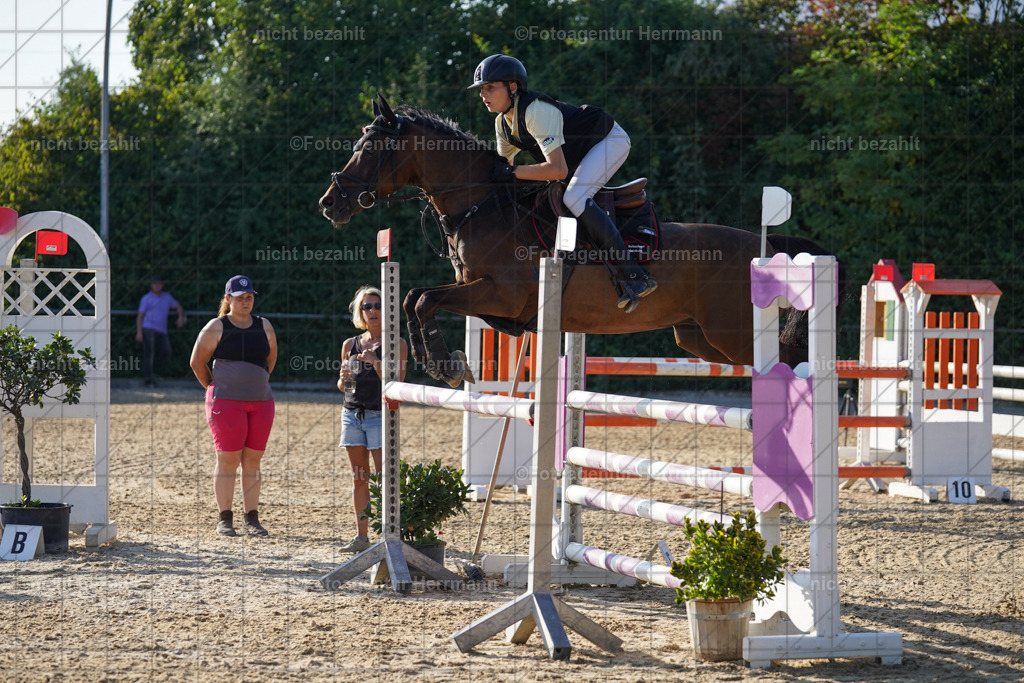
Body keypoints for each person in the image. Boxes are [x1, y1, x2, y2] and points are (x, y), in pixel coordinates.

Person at [469, 54, 657, 313]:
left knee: (574, 198)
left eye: (490, 87)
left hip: (608, 141)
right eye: (481, 89)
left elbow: (557, 169)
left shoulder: (535, 111)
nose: (483, 94)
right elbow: (506, 168)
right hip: (578, 155)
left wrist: (511, 173)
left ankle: (635, 275)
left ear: (512, 87)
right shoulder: (502, 123)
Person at [189, 275, 277, 537]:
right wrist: (216, 388)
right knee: (227, 459)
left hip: (261, 401)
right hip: (225, 402)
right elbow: (197, 363)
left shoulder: (264, 326)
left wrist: (254, 383)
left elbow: (270, 360)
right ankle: (224, 518)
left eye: (249, 297)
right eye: (240, 298)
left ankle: (252, 518)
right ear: (228, 299)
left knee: (253, 460)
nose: (245, 302)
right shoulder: (216, 326)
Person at [337, 285, 408, 553]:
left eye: (378, 306)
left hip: (380, 416)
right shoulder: (349, 344)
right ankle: (362, 536)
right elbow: (343, 386)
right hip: (352, 415)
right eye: (367, 306)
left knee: (385, 478)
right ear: (360, 312)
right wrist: (343, 380)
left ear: (387, 310)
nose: (373, 311)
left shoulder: (397, 344)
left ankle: (391, 536)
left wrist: (375, 363)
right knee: (359, 478)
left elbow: (398, 385)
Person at [136, 275, 186, 386]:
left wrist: (181, 317)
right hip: (148, 329)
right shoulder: (146, 298)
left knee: (166, 351)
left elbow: (178, 307)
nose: (157, 285)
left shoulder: (167, 297)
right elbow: (140, 316)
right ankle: (148, 380)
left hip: (162, 331)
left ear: (162, 285)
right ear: (151, 285)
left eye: (159, 283)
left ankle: (152, 373)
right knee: (149, 354)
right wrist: (139, 332)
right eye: (155, 283)